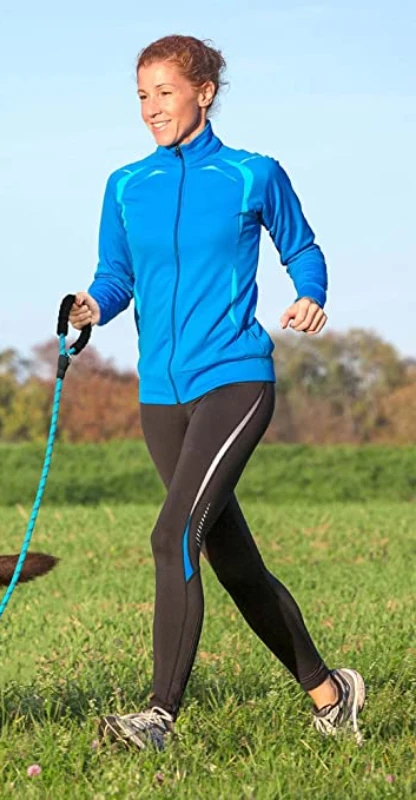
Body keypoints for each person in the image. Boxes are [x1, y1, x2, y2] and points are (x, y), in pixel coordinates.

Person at [69, 34, 365, 752]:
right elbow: (117, 274)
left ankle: (158, 717)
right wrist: (91, 306)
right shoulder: (125, 185)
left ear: (204, 92)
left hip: (234, 378)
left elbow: (303, 247)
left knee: (171, 535)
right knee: (230, 560)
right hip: (160, 396)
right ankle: (332, 695)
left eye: (164, 92)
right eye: (142, 95)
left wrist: (311, 294)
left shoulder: (250, 175)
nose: (151, 109)